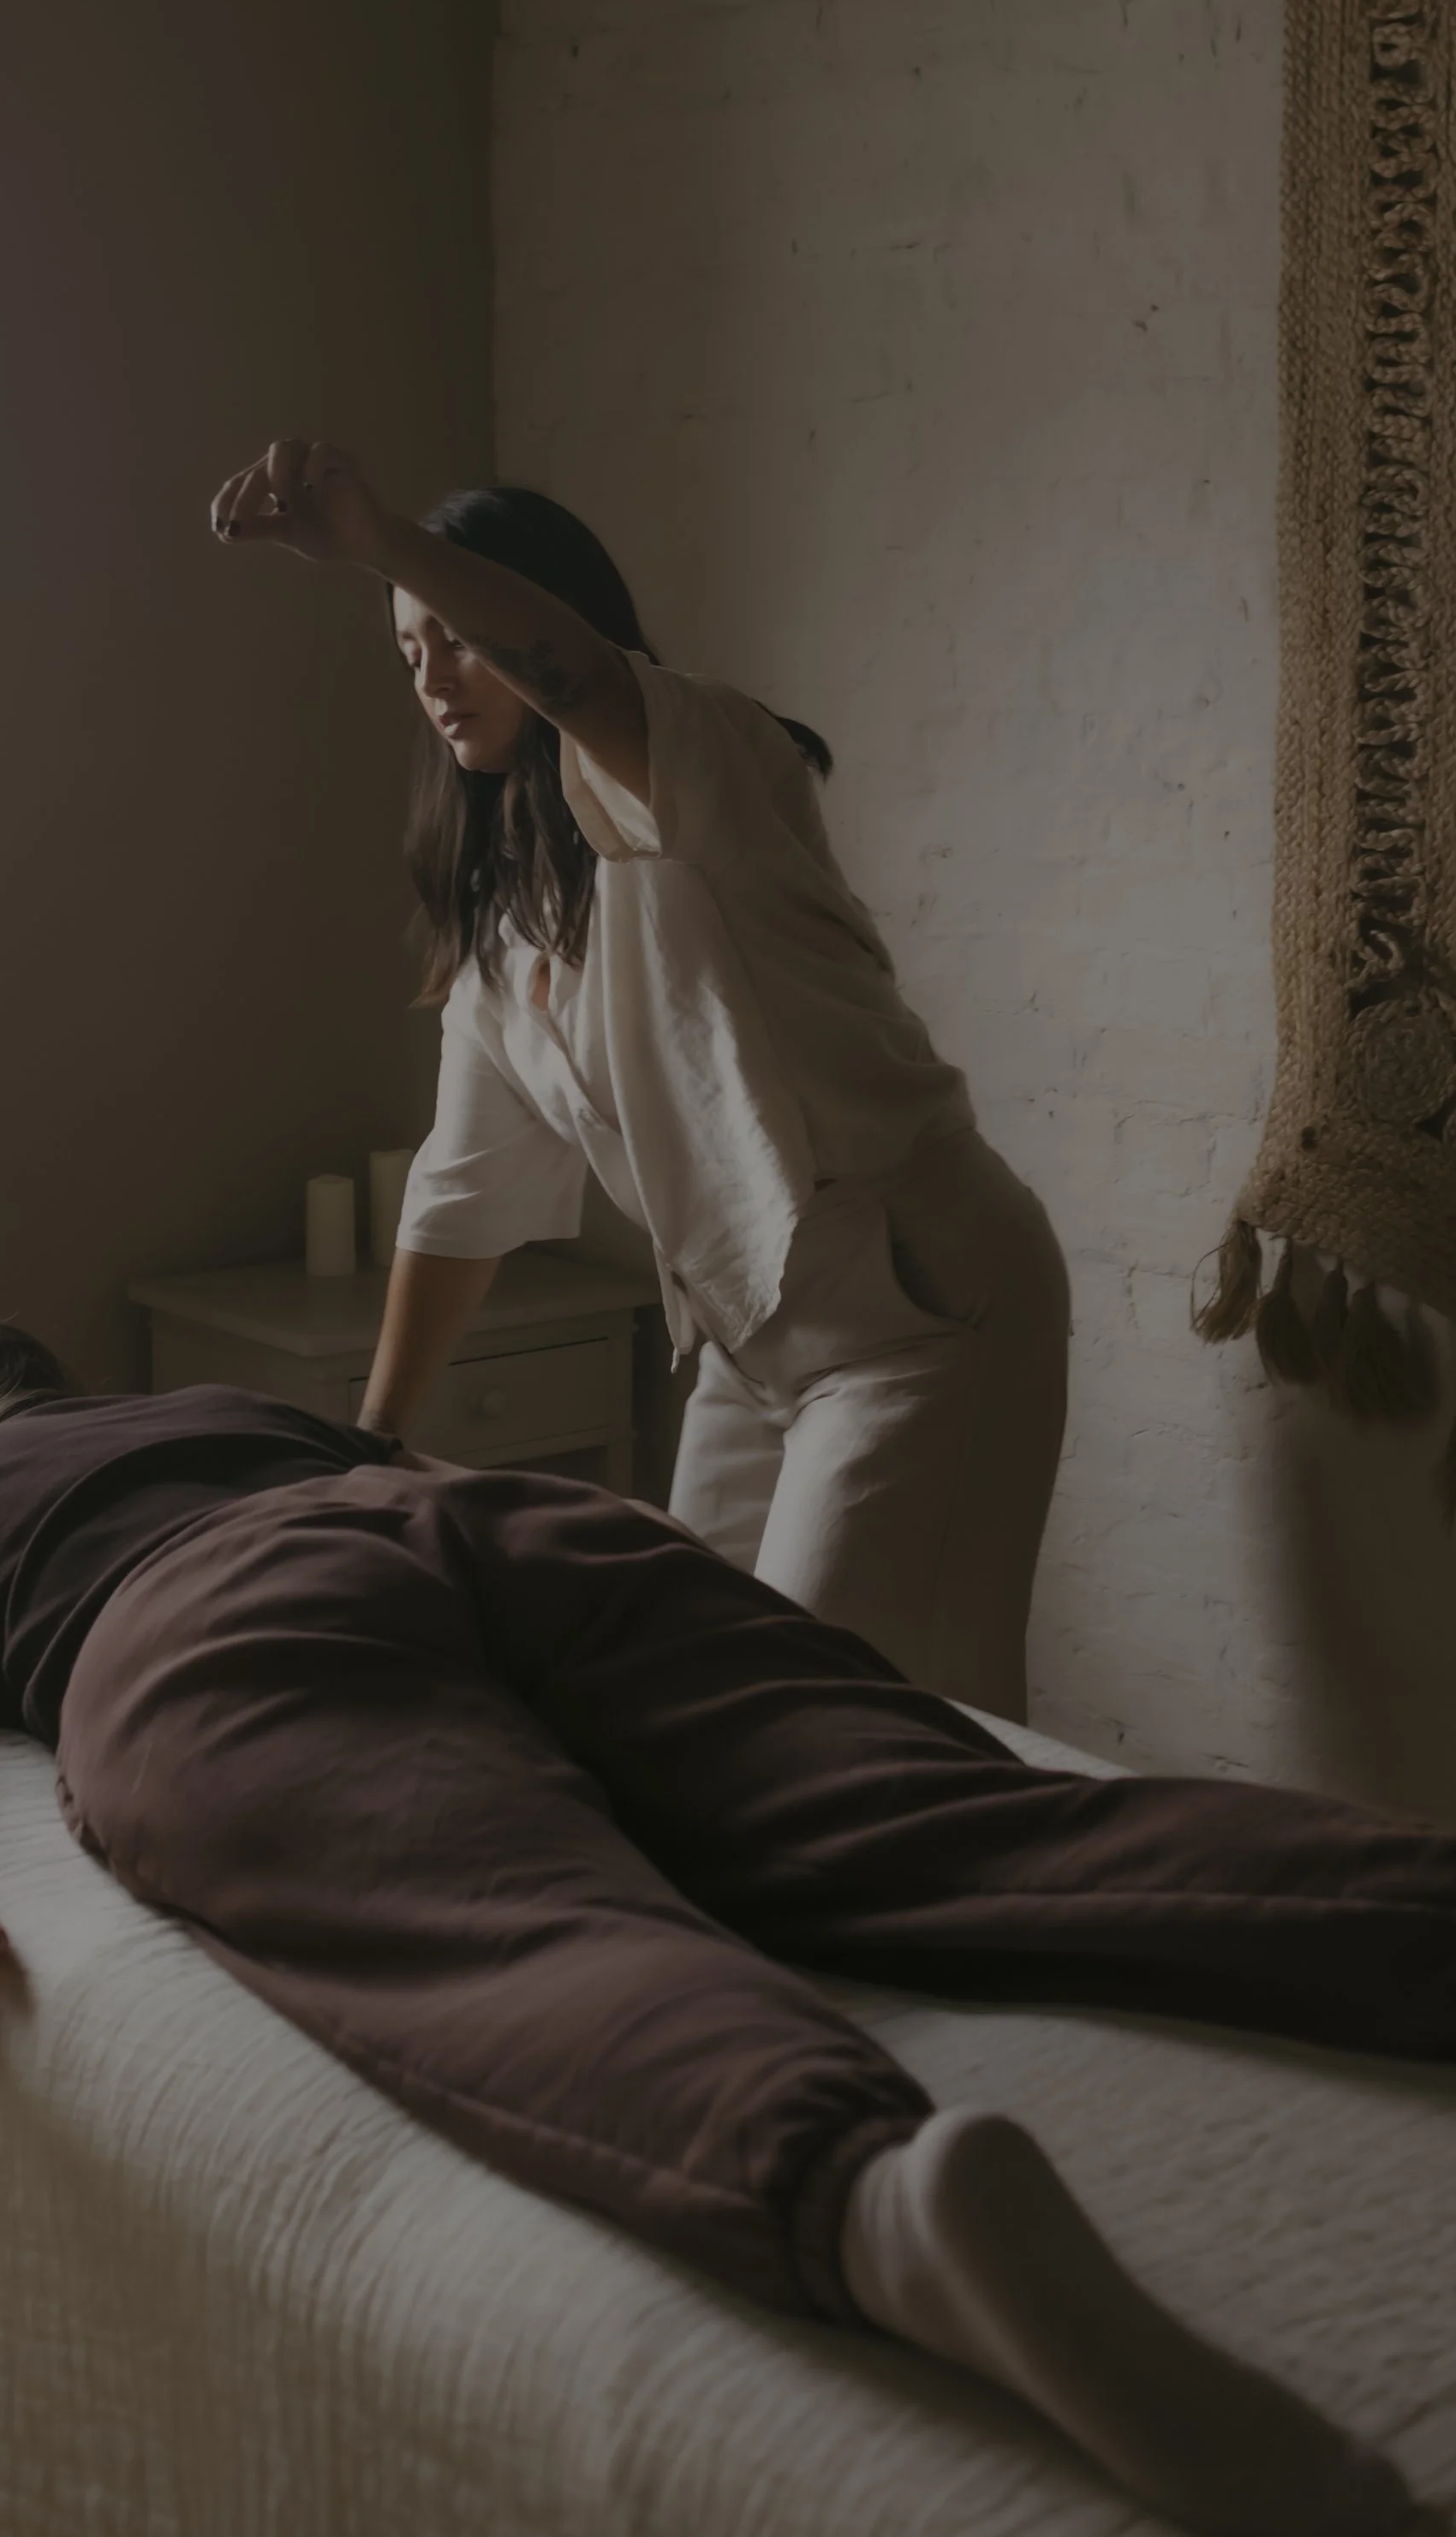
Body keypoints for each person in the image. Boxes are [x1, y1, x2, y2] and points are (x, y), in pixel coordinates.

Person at [0, 1326, 1456, 2537]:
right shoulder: (224, 1409)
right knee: (955, 1818)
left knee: (502, 1925)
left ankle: (870, 2195)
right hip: (508, 1525)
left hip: (205, 1634)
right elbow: (379, 1487)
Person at [209, 435, 1069, 1720]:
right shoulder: (504, 931)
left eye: (455, 634)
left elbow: (580, 678)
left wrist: (381, 539)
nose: (435, 678)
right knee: (691, 1714)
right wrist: (370, 1442)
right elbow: (461, 1194)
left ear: (537, 615)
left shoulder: (696, 761)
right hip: (749, 1338)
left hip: (921, 1306)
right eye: (408, 652)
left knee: (842, 1733)